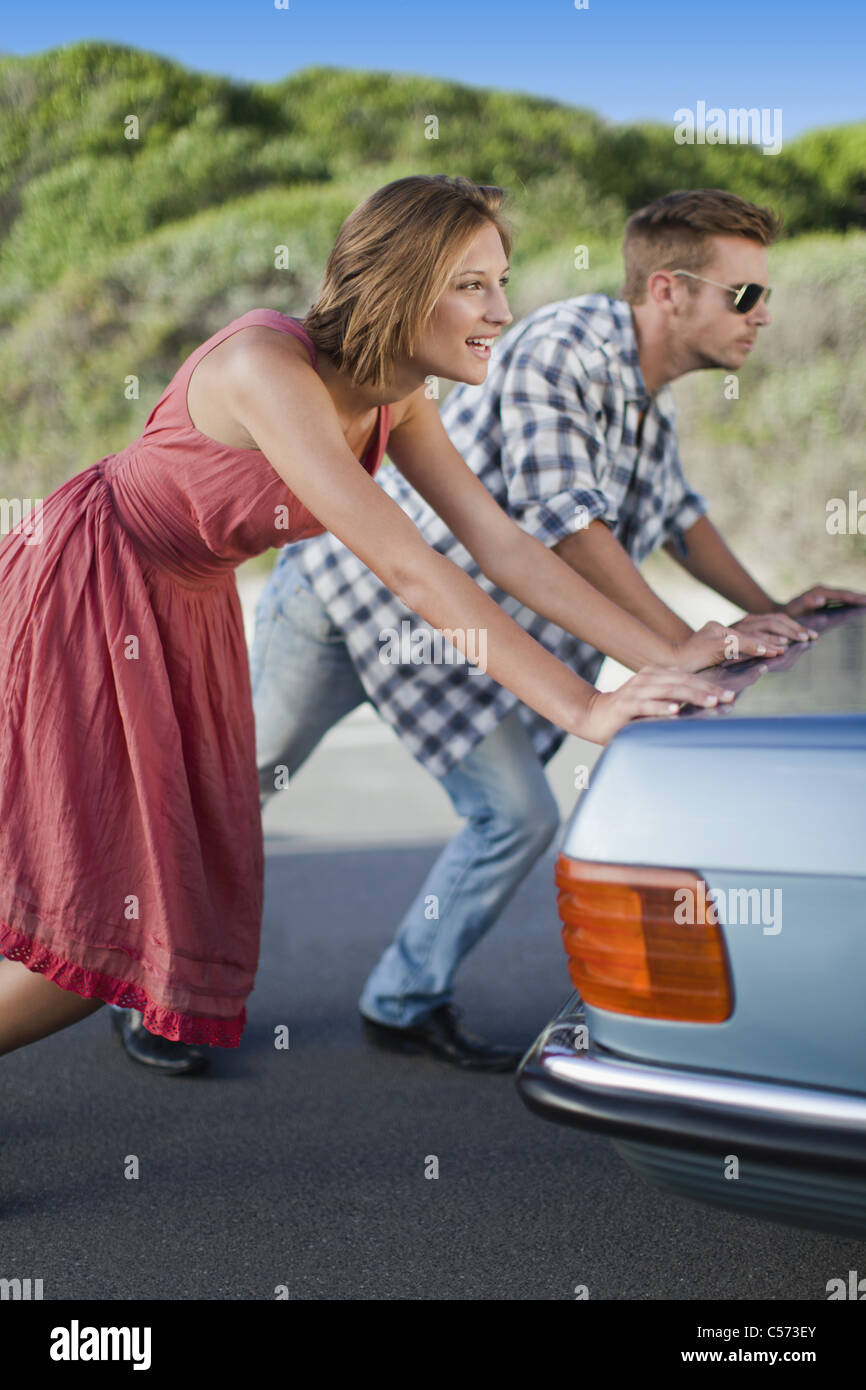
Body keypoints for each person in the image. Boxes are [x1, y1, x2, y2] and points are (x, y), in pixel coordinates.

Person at [0, 174, 734, 1068]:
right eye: (472, 284)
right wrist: (582, 709)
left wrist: (679, 655)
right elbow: (409, 566)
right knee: (101, 922)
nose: (502, 309)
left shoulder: (400, 396)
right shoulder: (265, 368)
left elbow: (501, 545)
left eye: (502, 280)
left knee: (149, 893)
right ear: (399, 282)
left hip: (187, 602)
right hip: (88, 580)